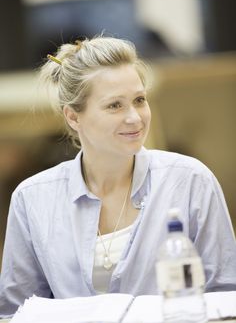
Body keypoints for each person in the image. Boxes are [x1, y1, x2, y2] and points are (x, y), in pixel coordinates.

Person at [0, 36, 236, 318]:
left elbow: (226, 298)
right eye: (115, 105)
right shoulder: (32, 199)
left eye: (139, 100)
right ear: (73, 117)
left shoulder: (191, 181)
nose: (135, 118)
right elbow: (15, 313)